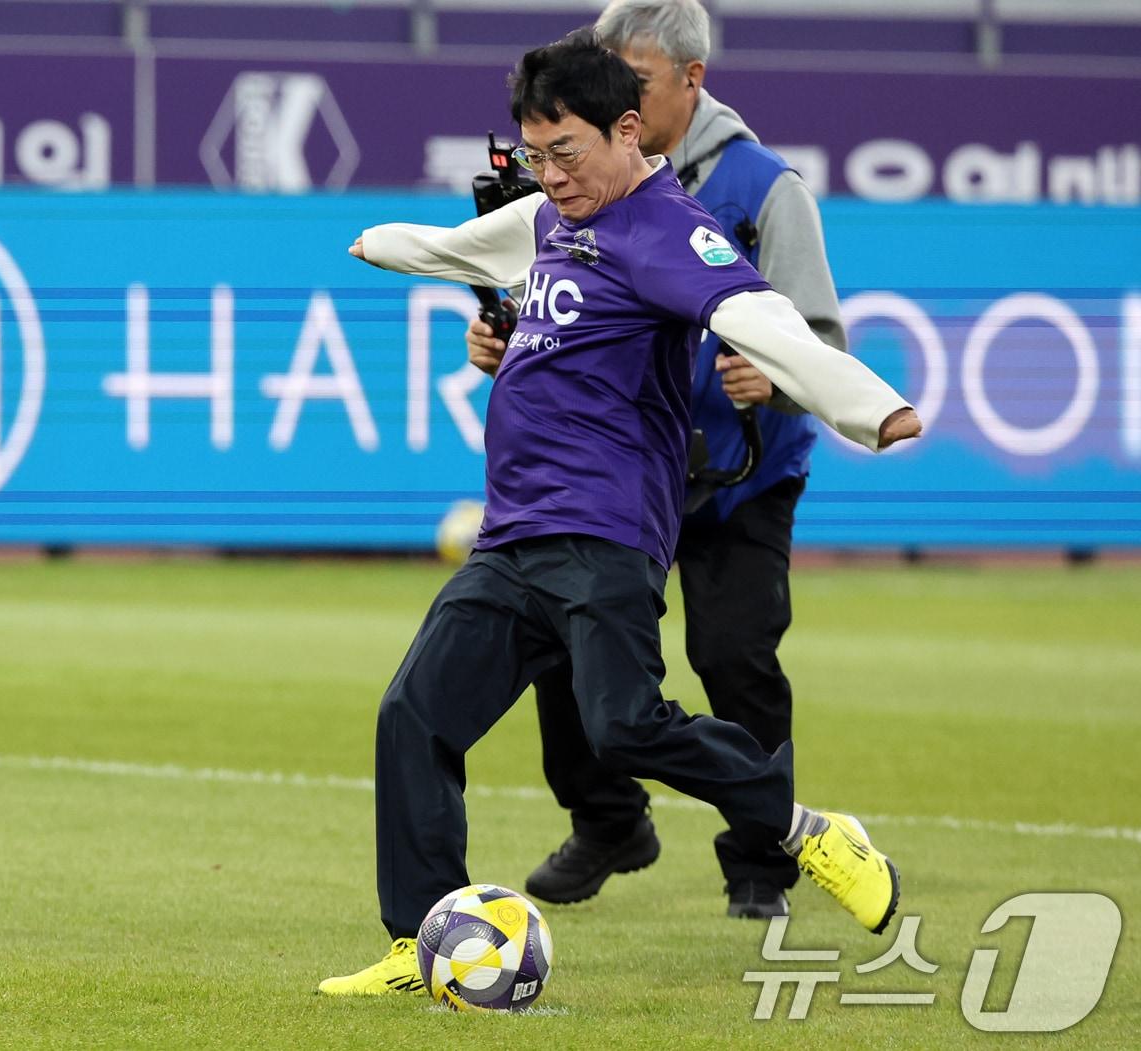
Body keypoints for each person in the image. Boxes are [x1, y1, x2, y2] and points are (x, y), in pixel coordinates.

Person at [319, 30, 920, 997]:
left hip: (605, 535)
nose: (548, 176)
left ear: (628, 129)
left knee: (626, 727)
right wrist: (393, 247)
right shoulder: (557, 215)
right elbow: (470, 245)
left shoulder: (668, 231)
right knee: (413, 714)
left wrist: (866, 406)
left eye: (566, 152)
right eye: (536, 154)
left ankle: (807, 827)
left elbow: (760, 319)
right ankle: (418, 934)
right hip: (512, 534)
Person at [466, 0, 844, 921]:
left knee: (733, 656)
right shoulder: (575, 173)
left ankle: (760, 862)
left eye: (633, 81)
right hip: (618, 466)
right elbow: (549, 303)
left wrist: (775, 379)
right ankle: (609, 821)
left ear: (690, 81)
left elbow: (819, 331)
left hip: (738, 474)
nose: (614, 98)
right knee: (562, 642)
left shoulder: (763, 187)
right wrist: (501, 338)